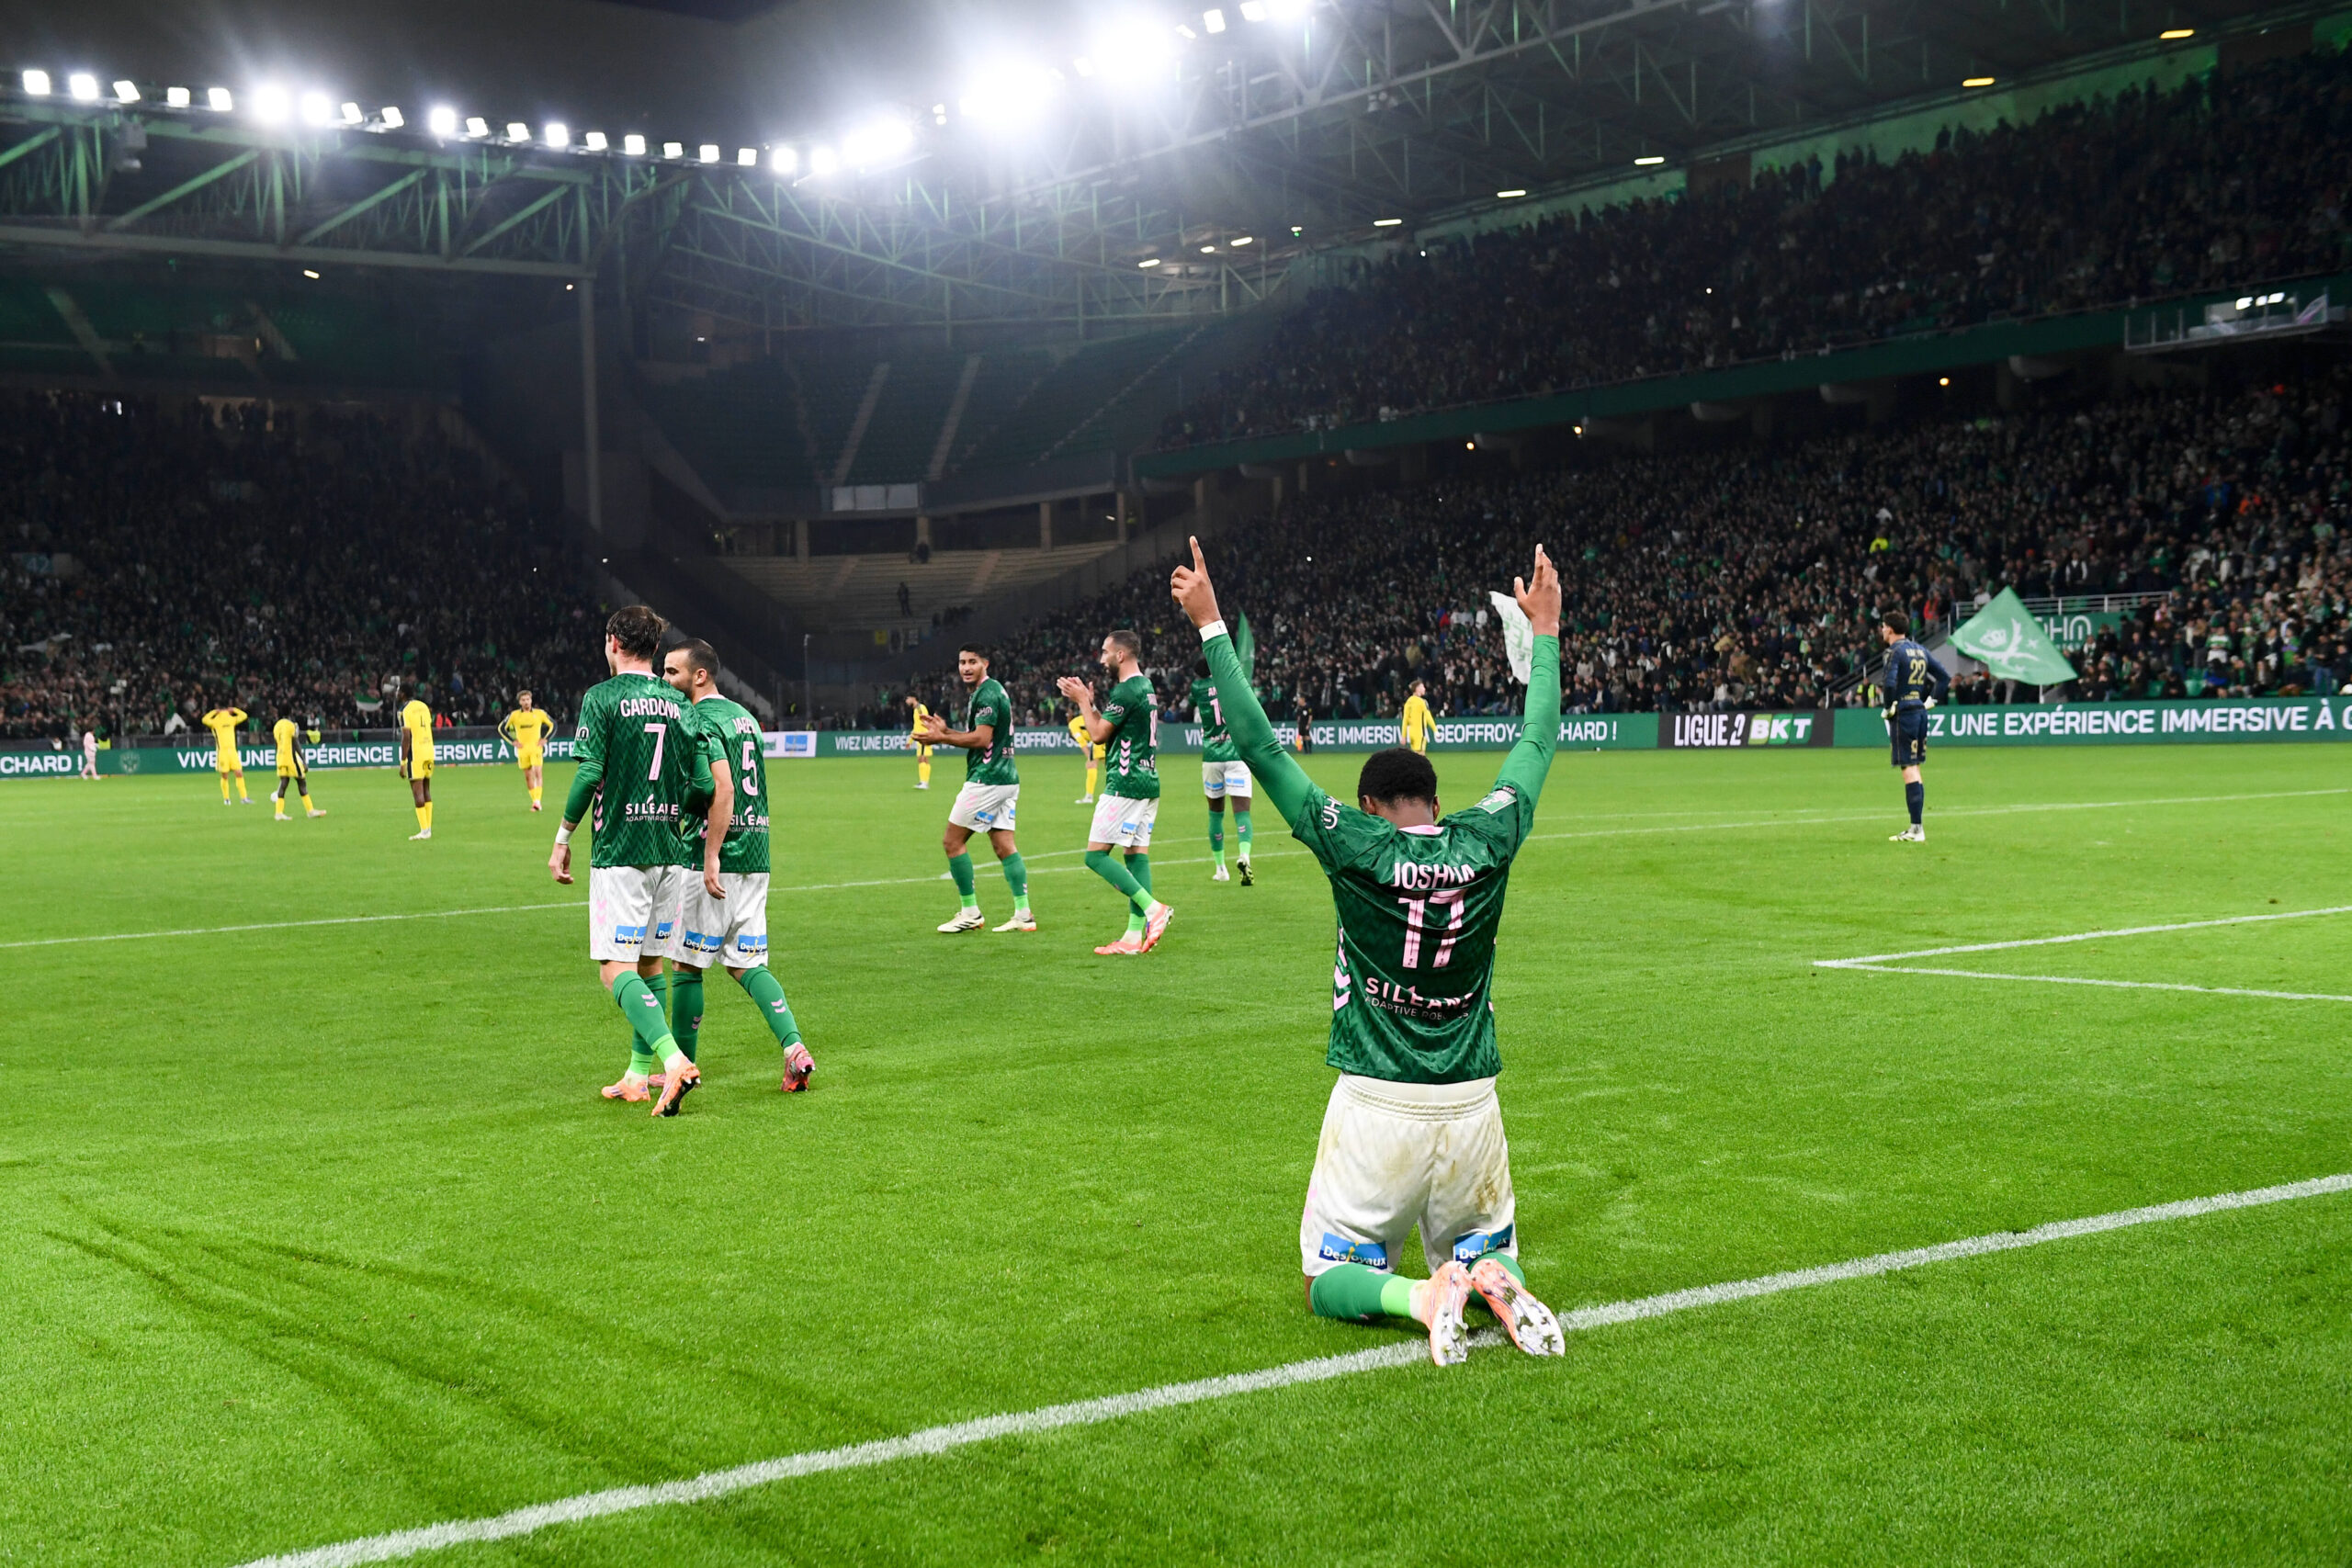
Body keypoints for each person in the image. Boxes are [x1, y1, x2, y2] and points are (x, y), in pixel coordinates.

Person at [1170, 535, 1567, 1368]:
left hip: (1378, 1101)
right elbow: (1534, 748)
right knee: (1483, 1239)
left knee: (1327, 1272)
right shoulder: (1491, 832)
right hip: (1473, 1102)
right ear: (1432, 800)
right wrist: (1549, 634)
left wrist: (1210, 623)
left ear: (1369, 803)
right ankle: (1488, 1274)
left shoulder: (1355, 845)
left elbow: (1261, 745)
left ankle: (1421, 1297)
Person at [549, 604, 709, 1116]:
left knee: (613, 969)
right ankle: (639, 1077)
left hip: (622, 851)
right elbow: (704, 784)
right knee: (650, 962)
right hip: (670, 849)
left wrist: (562, 837)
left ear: (614, 642)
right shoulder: (682, 703)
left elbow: (589, 771)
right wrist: (669, 813)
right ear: (654, 648)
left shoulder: (601, 698)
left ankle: (673, 1060)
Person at [663, 639, 816, 1092]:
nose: (666, 680)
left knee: (687, 966)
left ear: (701, 675)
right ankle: (793, 1048)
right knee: (746, 964)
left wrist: (709, 852)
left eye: (673, 672)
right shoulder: (745, 717)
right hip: (756, 852)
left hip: (716, 853)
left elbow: (720, 789)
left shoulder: (698, 718)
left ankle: (681, 1067)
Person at [1058, 631, 1173, 956]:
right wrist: (1091, 704)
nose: (1101, 659)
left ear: (1121, 655)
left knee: (1094, 856)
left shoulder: (1126, 690)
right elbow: (1108, 730)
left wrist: (1081, 700)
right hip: (1148, 782)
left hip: (1125, 784)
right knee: (1136, 856)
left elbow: (1095, 736)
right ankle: (1132, 938)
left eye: (1106, 652)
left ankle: (1154, 910)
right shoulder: (1145, 687)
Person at [919, 645, 1034, 933]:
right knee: (1004, 845)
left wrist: (941, 740)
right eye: (962, 662)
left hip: (987, 779)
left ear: (985, 663)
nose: (966, 667)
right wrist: (945, 732)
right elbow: (980, 736)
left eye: (972, 662)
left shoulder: (987, 694)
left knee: (952, 842)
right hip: (1006, 778)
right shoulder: (991, 691)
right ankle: (1023, 914)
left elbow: (982, 740)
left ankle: (970, 912)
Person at [1878, 613, 1951, 842]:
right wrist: (1932, 700)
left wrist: (1889, 707)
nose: (1882, 631)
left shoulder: (1894, 652)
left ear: (1889, 629)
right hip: (1920, 711)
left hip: (1904, 713)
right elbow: (1944, 677)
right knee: (1915, 768)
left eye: (1883, 627)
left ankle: (1916, 829)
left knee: (1908, 768)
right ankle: (1916, 827)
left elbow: (1889, 683)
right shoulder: (1920, 649)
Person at [1193, 656, 1253, 885]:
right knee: (1242, 812)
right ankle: (1244, 854)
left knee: (1215, 814)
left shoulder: (1197, 687)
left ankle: (1221, 869)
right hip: (1236, 755)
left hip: (1212, 757)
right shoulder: (1231, 682)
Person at [500, 690, 555, 812]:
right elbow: (501, 728)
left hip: (536, 748)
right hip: (523, 750)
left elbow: (553, 725)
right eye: (523, 700)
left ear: (531, 700)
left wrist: (546, 739)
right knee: (528, 777)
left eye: (528, 699)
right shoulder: (514, 715)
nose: (526, 702)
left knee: (537, 773)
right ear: (519, 702)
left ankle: (537, 802)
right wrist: (512, 741)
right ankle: (534, 801)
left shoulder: (540, 713)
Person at [270, 707, 323, 820]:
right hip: (291, 759)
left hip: (280, 757)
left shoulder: (276, 726)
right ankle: (310, 810)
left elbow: (276, 744)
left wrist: (279, 757)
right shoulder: (291, 725)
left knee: (284, 783)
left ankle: (278, 813)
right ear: (290, 713)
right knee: (302, 782)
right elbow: (296, 744)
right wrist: (304, 761)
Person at [397, 682, 435, 840]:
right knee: (426, 789)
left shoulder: (404, 710)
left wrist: (403, 762)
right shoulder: (424, 706)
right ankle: (428, 828)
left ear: (403, 694)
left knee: (417, 792)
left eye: (399, 691)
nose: (397, 694)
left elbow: (406, 737)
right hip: (429, 750)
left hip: (416, 752)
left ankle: (424, 830)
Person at [201, 702, 252, 805]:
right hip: (224, 751)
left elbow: (205, 719)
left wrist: (214, 712)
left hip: (231, 751)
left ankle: (243, 797)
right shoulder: (229, 720)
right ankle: (228, 798)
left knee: (234, 773)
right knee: (229, 774)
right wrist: (234, 710)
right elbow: (244, 716)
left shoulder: (217, 721)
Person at [1069, 706, 1100, 804]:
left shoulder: (1073, 724)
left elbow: (1082, 743)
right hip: (1104, 740)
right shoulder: (1087, 719)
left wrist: (1089, 758)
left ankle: (1089, 797)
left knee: (1091, 765)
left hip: (1100, 741)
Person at [905, 694, 933, 790]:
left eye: (908, 699)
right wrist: (911, 740)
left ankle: (924, 782)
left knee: (923, 759)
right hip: (919, 737)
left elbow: (926, 721)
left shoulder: (921, 708)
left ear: (913, 698)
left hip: (923, 737)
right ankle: (923, 782)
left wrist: (926, 736)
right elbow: (916, 726)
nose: (907, 701)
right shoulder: (916, 710)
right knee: (921, 759)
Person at [1400, 680, 1435, 756]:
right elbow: (1428, 717)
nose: (1424, 689)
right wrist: (1435, 730)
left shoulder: (1409, 701)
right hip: (1420, 733)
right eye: (1422, 687)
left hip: (1412, 734)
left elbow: (1405, 720)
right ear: (1417, 688)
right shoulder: (1422, 702)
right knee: (1421, 760)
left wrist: (1403, 736)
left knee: (1415, 758)